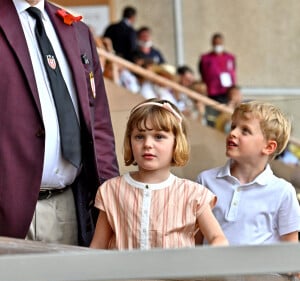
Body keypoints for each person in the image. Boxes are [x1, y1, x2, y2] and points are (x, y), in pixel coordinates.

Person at [1, 0, 119, 246]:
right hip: (7, 207)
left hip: (69, 208)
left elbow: (99, 123)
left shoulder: (77, 29)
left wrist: (111, 197)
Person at [90, 99, 228, 250]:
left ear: (177, 142)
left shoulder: (193, 194)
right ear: (130, 142)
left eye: (159, 137)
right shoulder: (111, 190)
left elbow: (217, 237)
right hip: (123, 273)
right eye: (139, 136)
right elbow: (98, 246)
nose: (148, 144)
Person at [196, 101, 300, 245]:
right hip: (211, 267)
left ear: (269, 147)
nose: (232, 133)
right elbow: (196, 240)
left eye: (245, 130)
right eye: (233, 127)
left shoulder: (283, 192)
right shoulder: (205, 180)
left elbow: (290, 252)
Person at [198, 33, 236, 126]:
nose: (218, 45)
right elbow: (202, 73)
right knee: (212, 119)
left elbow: (233, 72)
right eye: (216, 43)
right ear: (212, 43)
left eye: (219, 43)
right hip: (212, 94)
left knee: (226, 119)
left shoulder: (230, 58)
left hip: (226, 94)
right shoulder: (205, 59)